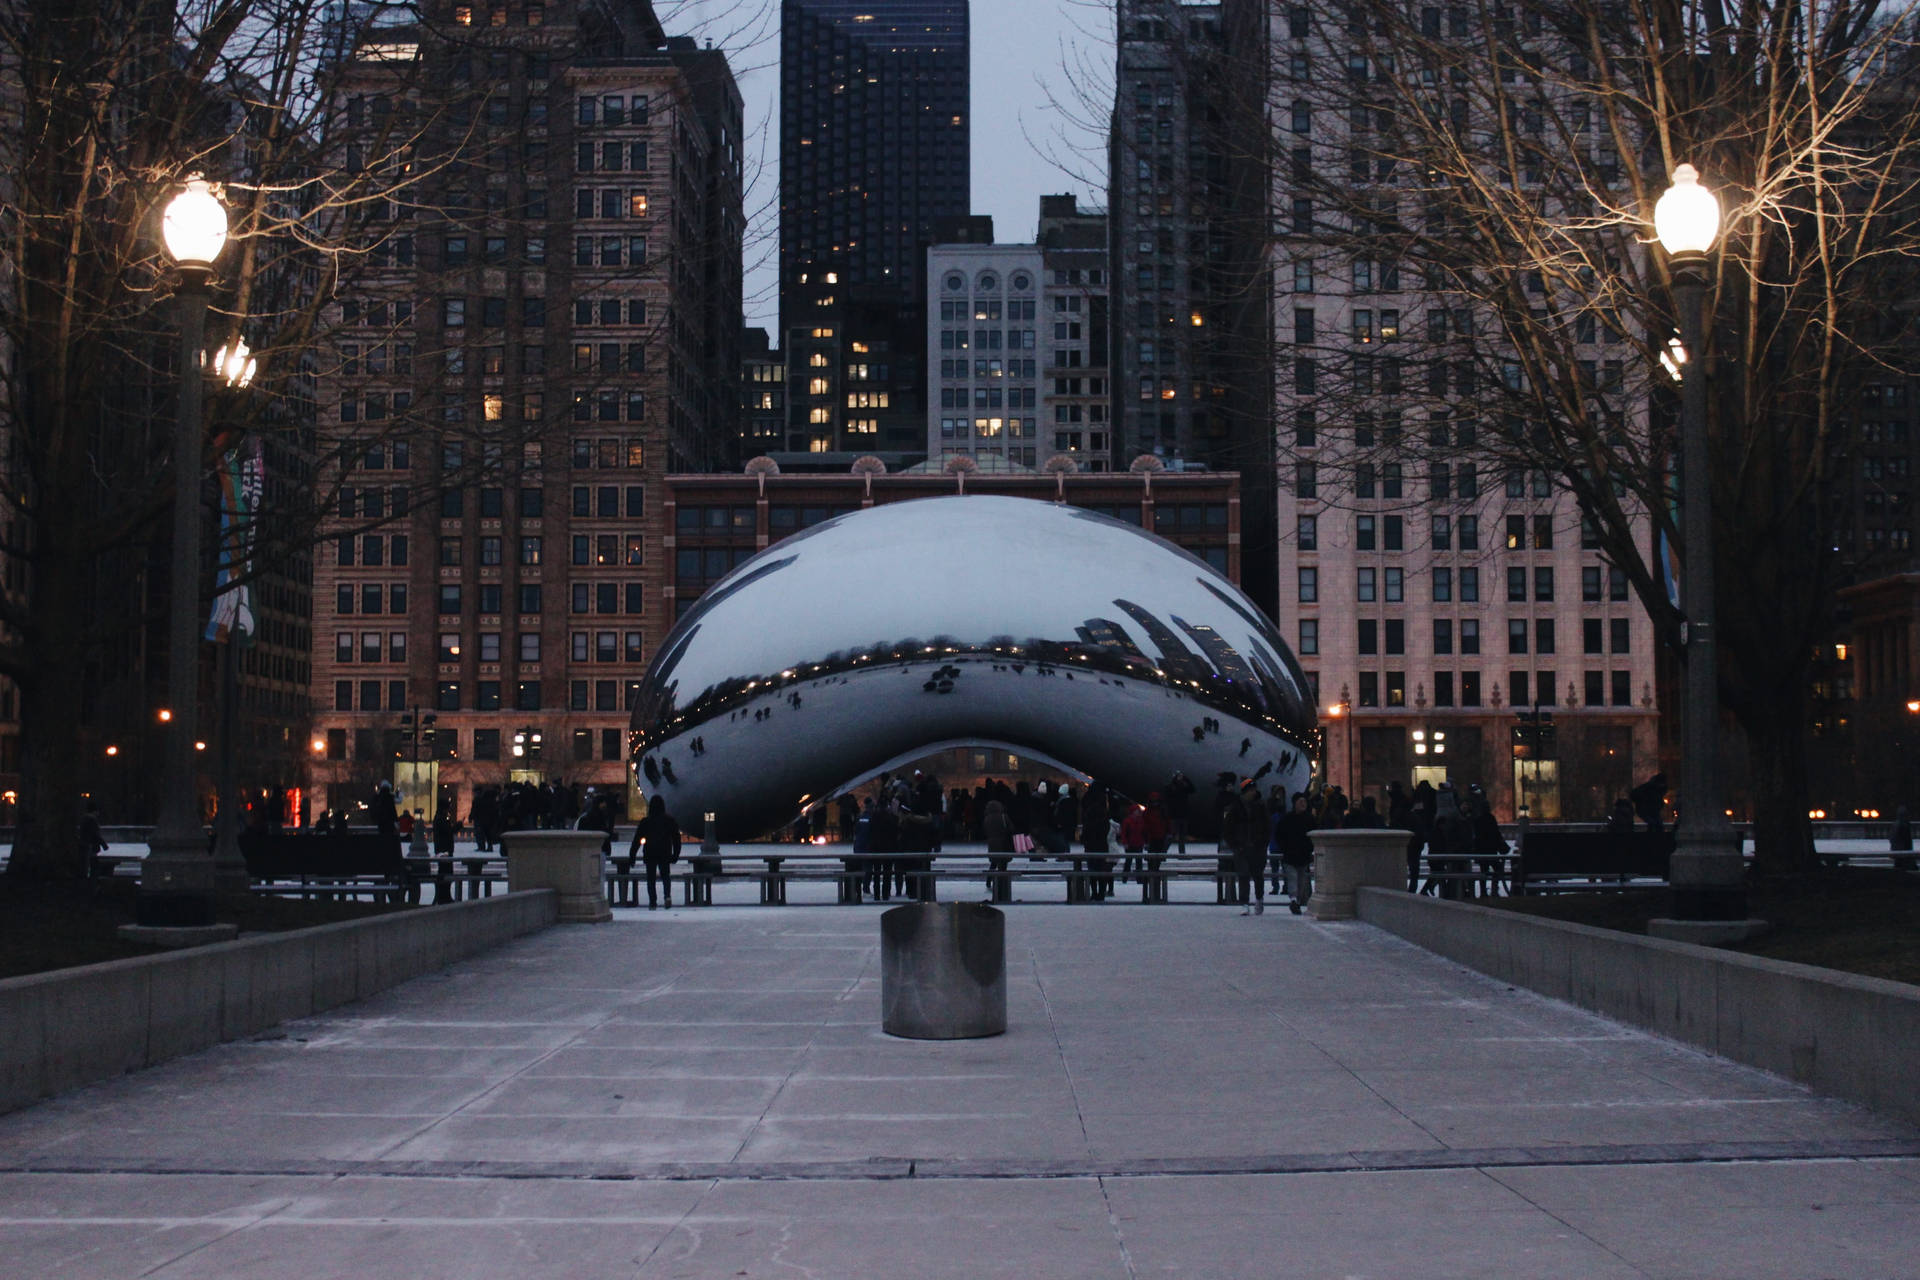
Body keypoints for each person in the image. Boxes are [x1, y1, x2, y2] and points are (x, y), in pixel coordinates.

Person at [1222, 780, 1269, 915]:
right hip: (1241, 847)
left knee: (1257, 875)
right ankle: (1245, 903)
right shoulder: (1235, 807)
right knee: (1243, 875)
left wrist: (1263, 843)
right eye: (1251, 790)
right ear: (1245, 792)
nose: (1253, 792)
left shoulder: (1260, 806)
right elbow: (1227, 828)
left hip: (1257, 847)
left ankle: (1259, 899)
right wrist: (1235, 845)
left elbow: (1267, 827)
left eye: (1254, 790)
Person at [630, 795, 682, 909]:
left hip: (650, 852)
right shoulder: (669, 820)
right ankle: (667, 896)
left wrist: (632, 855)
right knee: (665, 876)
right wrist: (676, 854)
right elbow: (676, 838)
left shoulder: (646, 821)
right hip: (664, 852)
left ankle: (652, 901)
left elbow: (637, 839)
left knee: (651, 878)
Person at [1276, 792, 1316, 914]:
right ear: (1294, 804)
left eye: (1304, 801)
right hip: (1290, 855)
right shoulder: (1287, 819)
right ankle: (1294, 900)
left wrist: (1310, 848)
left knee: (1301, 881)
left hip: (1303, 855)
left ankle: (1296, 901)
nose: (1303, 804)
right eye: (1300, 802)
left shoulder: (1310, 819)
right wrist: (1284, 847)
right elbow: (1279, 835)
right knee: (1293, 878)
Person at [982, 797, 1013, 902]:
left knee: (994, 863)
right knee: (1003, 864)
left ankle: (989, 879)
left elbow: (985, 830)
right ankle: (1002, 882)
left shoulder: (987, 818)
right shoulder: (1004, 817)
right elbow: (1010, 829)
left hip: (992, 844)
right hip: (1003, 843)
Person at [1164, 770, 1196, 853]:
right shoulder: (1171, 787)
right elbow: (1167, 799)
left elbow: (1193, 789)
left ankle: (1181, 853)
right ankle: (1163, 851)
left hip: (1183, 814)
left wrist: (1186, 779)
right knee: (1172, 834)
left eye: (1181, 776)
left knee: (1182, 836)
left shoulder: (1184, 786)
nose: (1180, 778)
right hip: (1175, 814)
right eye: (1179, 776)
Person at [1891, 804, 1914, 872]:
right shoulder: (1903, 824)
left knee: (1899, 865)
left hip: (1899, 849)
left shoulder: (1897, 824)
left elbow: (1893, 837)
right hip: (1902, 848)